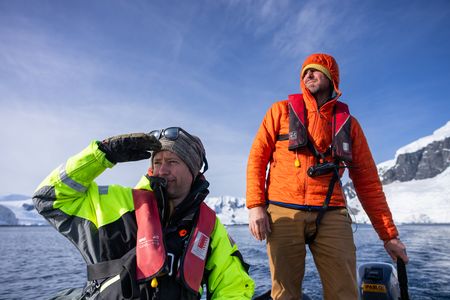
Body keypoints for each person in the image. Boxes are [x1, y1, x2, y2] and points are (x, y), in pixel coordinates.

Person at [246, 53, 409, 300]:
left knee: (345, 293)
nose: (308, 74)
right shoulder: (280, 112)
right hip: (283, 210)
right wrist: (256, 205)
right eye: (304, 72)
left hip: (331, 212)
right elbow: (257, 159)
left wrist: (389, 236)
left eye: (315, 70)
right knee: (285, 293)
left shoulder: (349, 125)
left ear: (332, 77)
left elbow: (368, 183)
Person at [33, 127, 254, 299]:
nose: (162, 169)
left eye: (172, 162)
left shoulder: (209, 227)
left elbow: (232, 287)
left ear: (193, 170)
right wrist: (101, 155)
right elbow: (48, 197)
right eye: (157, 162)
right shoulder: (117, 202)